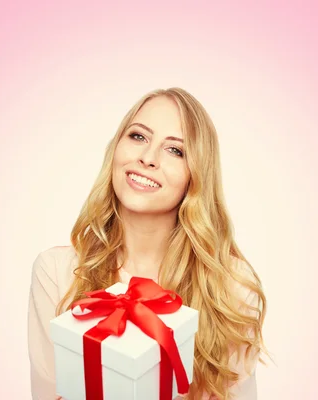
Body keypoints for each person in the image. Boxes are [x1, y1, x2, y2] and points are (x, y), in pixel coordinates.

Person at [27, 88, 269, 400]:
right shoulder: (58, 272)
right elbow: (48, 393)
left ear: (195, 177)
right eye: (139, 136)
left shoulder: (232, 289)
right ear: (116, 148)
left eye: (175, 151)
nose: (147, 158)